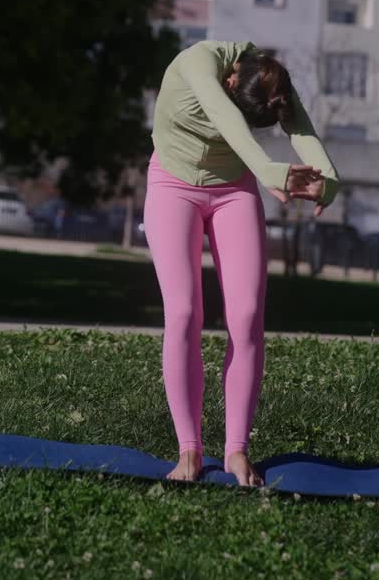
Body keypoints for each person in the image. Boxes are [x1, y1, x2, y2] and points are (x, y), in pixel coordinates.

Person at [144, 40, 339, 486]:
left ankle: (236, 451)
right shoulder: (199, 63)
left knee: (248, 316)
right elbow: (230, 124)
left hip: (233, 189)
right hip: (173, 185)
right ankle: (189, 451)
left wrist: (328, 181)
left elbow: (301, 127)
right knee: (184, 312)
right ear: (232, 79)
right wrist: (272, 171)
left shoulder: (265, 78)